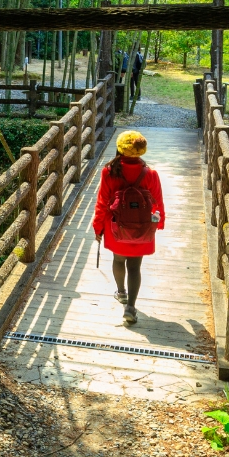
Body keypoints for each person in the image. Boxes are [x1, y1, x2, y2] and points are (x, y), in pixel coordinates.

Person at [93, 131, 165, 324]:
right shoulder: (150, 173)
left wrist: (98, 227)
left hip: (116, 227)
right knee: (135, 267)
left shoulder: (109, 171)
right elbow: (158, 201)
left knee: (118, 260)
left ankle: (121, 292)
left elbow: (102, 202)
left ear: (120, 148)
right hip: (141, 228)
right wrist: (160, 223)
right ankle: (131, 307)